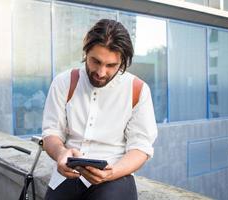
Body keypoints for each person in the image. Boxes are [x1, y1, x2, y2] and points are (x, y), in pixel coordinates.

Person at [42, 19, 157, 200]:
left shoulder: (138, 90)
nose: (101, 72)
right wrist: (60, 153)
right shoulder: (64, 82)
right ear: (86, 52)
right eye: (95, 61)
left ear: (123, 62)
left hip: (116, 176)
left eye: (111, 65)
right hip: (68, 174)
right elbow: (51, 133)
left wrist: (112, 172)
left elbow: (141, 148)